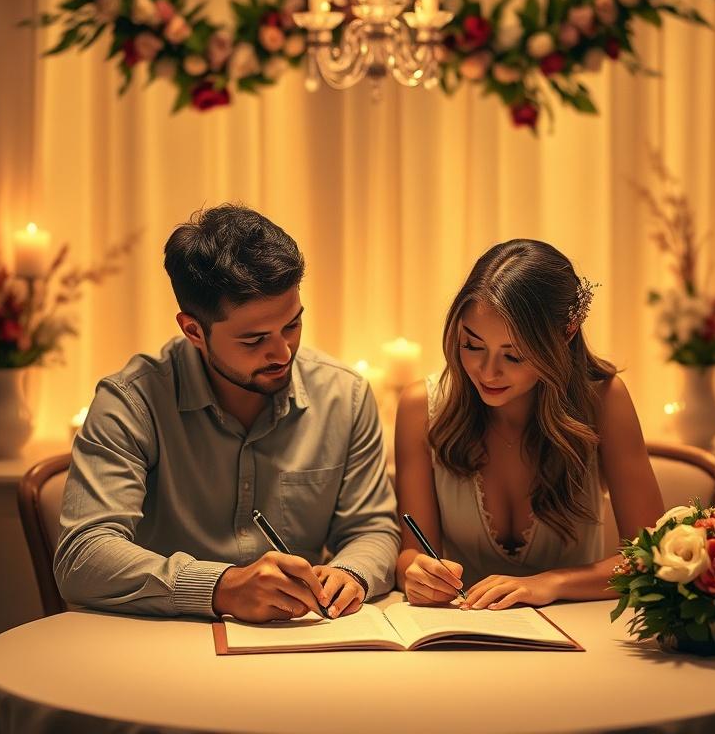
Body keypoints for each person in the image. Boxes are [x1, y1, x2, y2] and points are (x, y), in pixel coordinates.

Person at [55, 204, 400, 623]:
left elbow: (372, 529)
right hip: (158, 648)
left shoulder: (345, 396)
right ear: (193, 331)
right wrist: (220, 587)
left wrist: (351, 572)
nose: (282, 352)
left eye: (292, 325)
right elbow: (83, 555)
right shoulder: (131, 401)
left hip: (299, 646)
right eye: (254, 340)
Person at [394, 239, 664, 610]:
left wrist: (553, 583)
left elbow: (649, 555)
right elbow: (412, 553)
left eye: (514, 354)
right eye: (472, 346)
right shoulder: (420, 408)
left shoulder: (603, 401)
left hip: (581, 638)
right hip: (459, 635)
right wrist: (416, 573)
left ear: (566, 333)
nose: (488, 372)